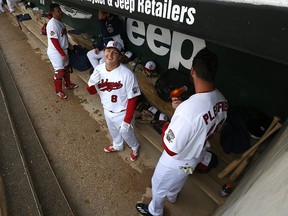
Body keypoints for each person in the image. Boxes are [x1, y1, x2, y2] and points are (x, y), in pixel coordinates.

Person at [136, 48, 228, 216]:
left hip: (178, 159)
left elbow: (172, 147)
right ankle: (172, 195)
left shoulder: (189, 110)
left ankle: (155, 212)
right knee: (182, 177)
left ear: (193, 71)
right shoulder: (222, 100)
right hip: (196, 156)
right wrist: (180, 111)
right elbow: (200, 121)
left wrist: (167, 124)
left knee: (157, 183)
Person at [86, 41, 141, 161]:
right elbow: (92, 92)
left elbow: (133, 98)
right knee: (113, 132)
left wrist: (127, 120)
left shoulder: (127, 75)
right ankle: (118, 146)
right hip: (107, 109)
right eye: (108, 50)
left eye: (115, 52)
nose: (110, 54)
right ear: (104, 52)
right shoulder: (99, 69)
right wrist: (90, 83)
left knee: (127, 134)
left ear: (120, 56)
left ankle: (135, 147)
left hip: (122, 112)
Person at [46, 3, 78, 99]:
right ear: (52, 12)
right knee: (60, 72)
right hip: (56, 52)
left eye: (60, 10)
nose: (60, 12)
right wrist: (62, 54)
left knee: (66, 68)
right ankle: (58, 91)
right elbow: (54, 40)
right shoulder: (52, 24)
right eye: (58, 11)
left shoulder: (59, 21)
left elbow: (62, 37)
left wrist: (69, 46)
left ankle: (68, 84)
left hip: (63, 49)